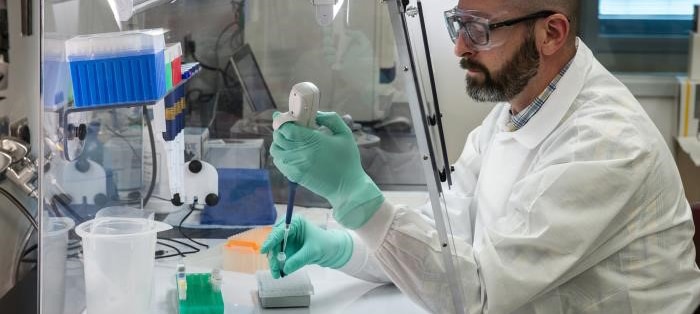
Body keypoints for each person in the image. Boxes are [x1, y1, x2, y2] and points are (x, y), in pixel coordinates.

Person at [260, 0, 700, 312]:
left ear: (551, 33)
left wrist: (355, 196)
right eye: (458, 24)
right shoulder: (515, 110)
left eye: (479, 28)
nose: (459, 47)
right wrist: (341, 249)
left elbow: (477, 298)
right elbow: (443, 240)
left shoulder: (606, 145)